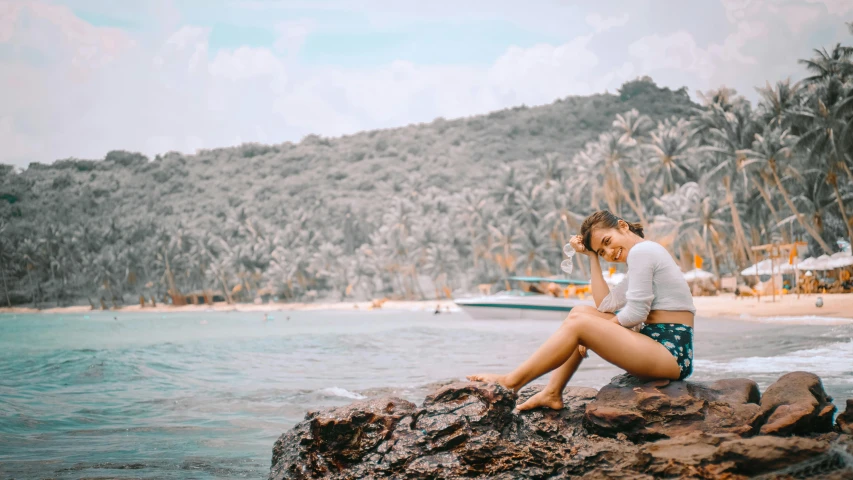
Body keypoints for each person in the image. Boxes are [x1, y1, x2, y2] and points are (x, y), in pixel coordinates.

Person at [467, 210, 696, 411]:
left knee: (581, 324)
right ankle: (552, 393)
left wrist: (593, 332)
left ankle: (510, 383)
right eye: (602, 251)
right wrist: (591, 257)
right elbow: (606, 304)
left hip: (670, 352)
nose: (609, 252)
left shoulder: (643, 252)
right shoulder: (642, 255)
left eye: (607, 241)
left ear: (623, 225)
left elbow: (635, 313)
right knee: (580, 312)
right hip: (659, 346)